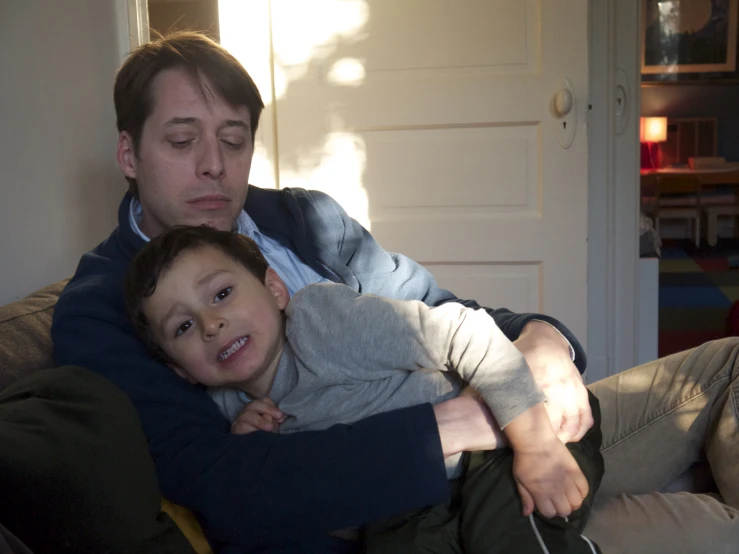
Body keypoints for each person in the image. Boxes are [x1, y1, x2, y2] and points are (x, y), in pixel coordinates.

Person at [49, 31, 739, 553]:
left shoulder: (298, 218)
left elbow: (440, 313)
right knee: (711, 524)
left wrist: (542, 341)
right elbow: (230, 487)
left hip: (510, 421)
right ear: (129, 155)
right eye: (181, 139)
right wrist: (474, 422)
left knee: (727, 365)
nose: (212, 165)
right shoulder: (105, 307)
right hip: (421, 507)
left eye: (233, 140)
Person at [124, 225, 605, 553]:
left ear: (275, 290)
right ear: (179, 369)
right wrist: (250, 437)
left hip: (509, 428)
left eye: (222, 294)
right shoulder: (230, 411)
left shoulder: (321, 322)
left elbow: (465, 332)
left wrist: (536, 443)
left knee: (507, 534)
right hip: (411, 500)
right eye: (184, 326)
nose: (211, 324)